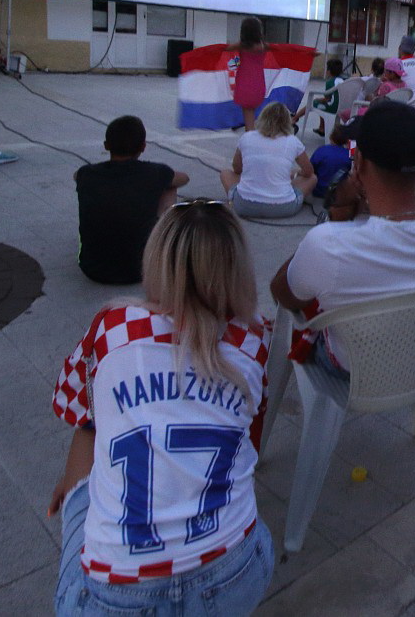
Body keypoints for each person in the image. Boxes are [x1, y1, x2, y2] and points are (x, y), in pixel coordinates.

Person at [48, 200, 273, 615]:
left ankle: (73, 500)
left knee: (90, 435)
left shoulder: (113, 326)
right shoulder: (255, 338)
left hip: (114, 599)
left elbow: (75, 410)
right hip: (236, 576)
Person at [270, 102, 415, 378]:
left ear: (359, 163)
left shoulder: (328, 243)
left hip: (353, 368)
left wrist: (338, 220)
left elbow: (282, 292)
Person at [75, 115, 189, 284]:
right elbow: (184, 178)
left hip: (91, 268)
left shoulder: (86, 173)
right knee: (170, 187)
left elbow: (76, 176)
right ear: (143, 146)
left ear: (106, 146)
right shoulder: (155, 172)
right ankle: (165, 243)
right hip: (141, 271)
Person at [221, 102, 316, 218]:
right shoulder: (293, 141)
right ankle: (281, 191)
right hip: (284, 208)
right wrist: (297, 173)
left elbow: (237, 168)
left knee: (225, 173)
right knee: (312, 178)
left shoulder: (247, 137)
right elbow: (309, 172)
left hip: (244, 206)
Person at [230, 15, 269, 130]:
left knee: (248, 117)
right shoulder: (264, 46)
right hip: (258, 83)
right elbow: (286, 49)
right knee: (251, 114)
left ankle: (250, 140)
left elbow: (222, 50)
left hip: (245, 83)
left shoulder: (241, 46)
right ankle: (251, 135)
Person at [297, 58, 346, 135]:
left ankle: (295, 118)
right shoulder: (343, 80)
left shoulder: (330, 82)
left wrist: (318, 99)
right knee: (321, 105)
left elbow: (327, 99)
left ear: (328, 71)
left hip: (333, 108)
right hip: (342, 107)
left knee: (313, 103)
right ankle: (321, 127)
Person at [309, 123, 352, 200]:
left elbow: (310, 168)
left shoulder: (322, 150)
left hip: (318, 189)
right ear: (347, 141)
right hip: (338, 192)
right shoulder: (349, 155)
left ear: (331, 137)